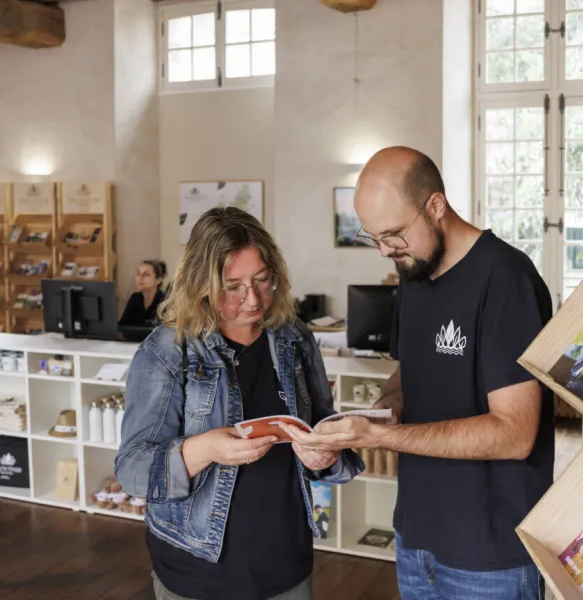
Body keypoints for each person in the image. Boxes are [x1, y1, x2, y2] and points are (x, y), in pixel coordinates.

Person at [281, 147, 555, 600]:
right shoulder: (412, 274)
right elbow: (409, 374)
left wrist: (382, 437)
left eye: (393, 234)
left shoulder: (507, 279)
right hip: (415, 539)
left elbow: (515, 434)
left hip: (488, 555)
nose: (386, 251)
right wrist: (378, 413)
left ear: (435, 206)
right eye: (374, 238)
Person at [114, 207, 364, 600]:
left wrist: (326, 455)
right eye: (233, 286)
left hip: (286, 561)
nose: (253, 299)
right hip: (197, 570)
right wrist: (205, 449)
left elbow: (322, 424)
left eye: (262, 279)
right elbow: (132, 469)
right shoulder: (168, 351)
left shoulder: (294, 338)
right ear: (201, 283)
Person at [119, 259, 168, 327]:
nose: (140, 278)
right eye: (138, 274)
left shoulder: (165, 301)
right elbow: (122, 326)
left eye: (147, 274)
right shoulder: (135, 298)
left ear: (158, 280)